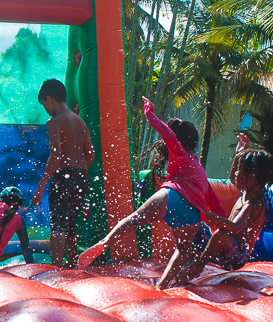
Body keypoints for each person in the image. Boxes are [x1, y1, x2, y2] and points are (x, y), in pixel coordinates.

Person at [80, 97, 226, 288]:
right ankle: (162, 285)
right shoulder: (199, 170)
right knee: (183, 250)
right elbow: (214, 203)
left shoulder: (180, 155)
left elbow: (169, 136)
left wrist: (150, 115)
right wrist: (218, 231)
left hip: (172, 195)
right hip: (192, 211)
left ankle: (105, 242)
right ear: (195, 143)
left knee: (134, 219)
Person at [180, 142, 273, 280]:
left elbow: (234, 228)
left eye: (242, 171)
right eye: (238, 169)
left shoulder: (253, 204)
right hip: (221, 249)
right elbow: (233, 178)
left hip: (236, 258)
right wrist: (238, 155)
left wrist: (204, 213)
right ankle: (189, 260)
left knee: (221, 235)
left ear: (256, 177)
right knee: (194, 225)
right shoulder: (247, 191)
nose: (237, 174)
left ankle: (198, 265)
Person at [31, 79, 95, 267]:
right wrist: (79, 173)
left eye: (44, 104)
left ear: (49, 99)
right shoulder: (81, 122)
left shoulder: (54, 122)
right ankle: (72, 263)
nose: (46, 110)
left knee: (58, 225)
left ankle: (57, 267)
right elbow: (91, 154)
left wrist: (40, 187)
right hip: (82, 176)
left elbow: (55, 156)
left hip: (63, 176)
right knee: (71, 224)